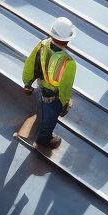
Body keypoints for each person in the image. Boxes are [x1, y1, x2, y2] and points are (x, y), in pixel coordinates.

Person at [21, 17, 78, 150]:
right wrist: (64, 103)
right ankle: (44, 139)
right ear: (68, 40)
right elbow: (65, 87)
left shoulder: (42, 45)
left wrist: (27, 83)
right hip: (54, 98)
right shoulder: (68, 62)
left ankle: (40, 121)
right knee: (50, 120)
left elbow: (30, 63)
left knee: (42, 109)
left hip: (41, 88)